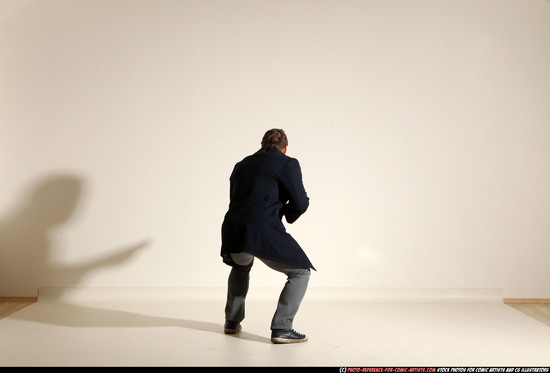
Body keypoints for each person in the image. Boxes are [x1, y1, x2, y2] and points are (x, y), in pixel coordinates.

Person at [220, 128, 314, 344]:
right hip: (261, 227)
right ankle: (282, 328)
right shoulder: (288, 162)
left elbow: (238, 198)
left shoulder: (241, 164)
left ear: (261, 145)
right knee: (301, 272)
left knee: (241, 266)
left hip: (233, 227)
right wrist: (286, 215)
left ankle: (232, 322)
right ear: (285, 148)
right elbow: (300, 202)